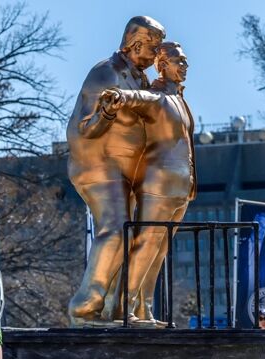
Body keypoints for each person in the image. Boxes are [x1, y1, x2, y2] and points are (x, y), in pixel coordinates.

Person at [66, 16, 166, 324]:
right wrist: (107, 113)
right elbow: (81, 130)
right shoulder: (105, 73)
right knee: (116, 229)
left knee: (135, 234)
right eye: (154, 47)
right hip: (99, 166)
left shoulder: (141, 79)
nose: (158, 55)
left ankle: (118, 308)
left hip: (128, 172)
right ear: (136, 44)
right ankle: (84, 307)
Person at [99, 41, 196, 322]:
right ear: (163, 66)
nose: (185, 67)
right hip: (159, 184)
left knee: (160, 249)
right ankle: (123, 306)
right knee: (146, 244)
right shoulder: (158, 96)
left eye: (186, 62)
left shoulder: (180, 99)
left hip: (182, 187)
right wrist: (119, 97)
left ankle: (144, 307)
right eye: (180, 61)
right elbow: (138, 98)